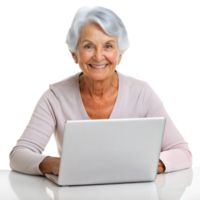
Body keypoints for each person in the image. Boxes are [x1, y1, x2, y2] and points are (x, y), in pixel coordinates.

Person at [8, 5, 193, 176]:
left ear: (119, 55)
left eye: (108, 46)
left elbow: (183, 152)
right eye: (88, 46)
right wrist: (56, 165)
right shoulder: (55, 97)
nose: (98, 56)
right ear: (74, 54)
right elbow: (18, 155)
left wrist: (147, 165)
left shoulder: (142, 92)